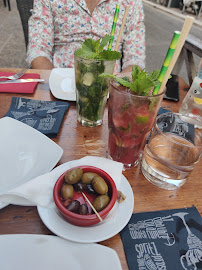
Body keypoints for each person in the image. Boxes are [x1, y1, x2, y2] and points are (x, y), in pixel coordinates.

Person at [27, 0, 145, 73]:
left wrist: (121, 87)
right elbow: (38, 50)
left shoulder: (131, 2)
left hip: (109, 89)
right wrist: (55, 83)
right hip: (59, 83)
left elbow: (135, 58)